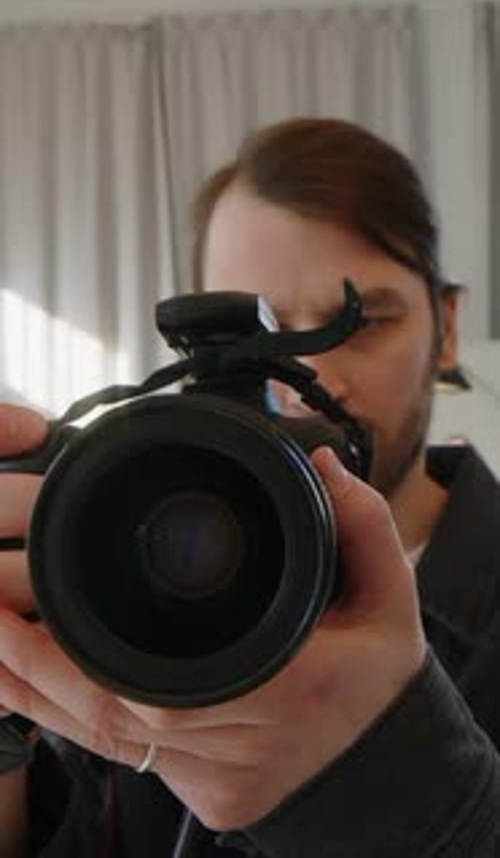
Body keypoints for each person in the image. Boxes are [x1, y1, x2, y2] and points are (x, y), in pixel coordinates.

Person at [0, 116, 499, 857]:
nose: (311, 384)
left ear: (446, 326)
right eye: (250, 344)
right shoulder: (117, 579)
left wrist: (395, 780)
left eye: (360, 324)